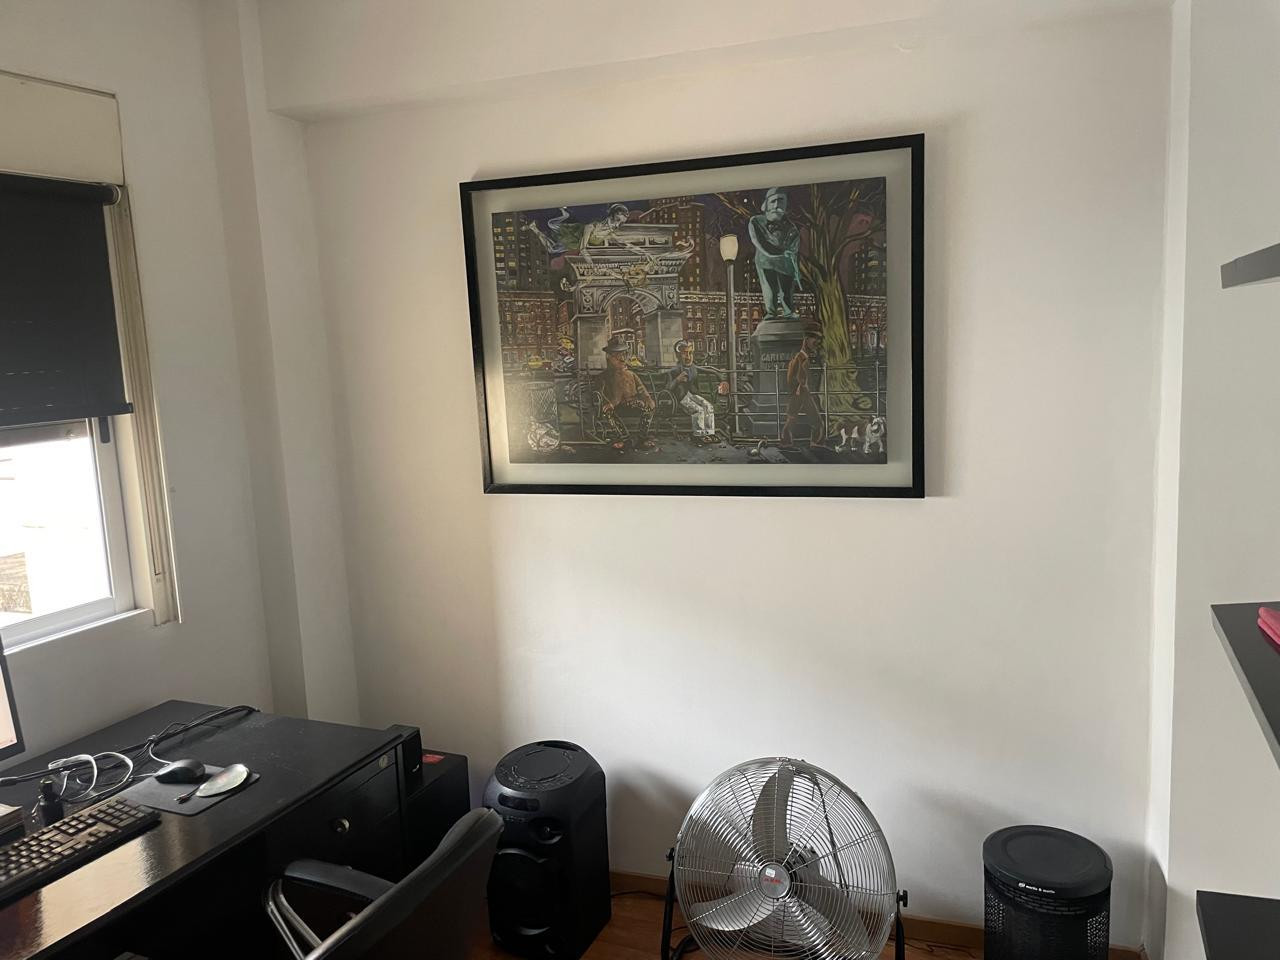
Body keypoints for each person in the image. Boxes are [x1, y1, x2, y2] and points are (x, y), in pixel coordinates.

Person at [748, 187, 803, 319]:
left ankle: (788, 312)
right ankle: (771, 313)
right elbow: (760, 243)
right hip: (766, 262)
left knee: (787, 290)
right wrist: (783, 252)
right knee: (769, 289)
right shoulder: (756, 222)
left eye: (781, 201)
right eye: (773, 201)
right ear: (766, 204)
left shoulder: (792, 227)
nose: (777, 205)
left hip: (786, 265)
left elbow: (794, 247)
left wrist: (796, 267)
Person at [597, 335, 655, 451]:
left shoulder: (631, 374)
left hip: (632, 402)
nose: (622, 359)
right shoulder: (604, 376)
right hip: (614, 406)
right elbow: (601, 394)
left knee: (649, 407)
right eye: (617, 356)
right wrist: (610, 403)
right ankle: (623, 439)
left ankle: (642, 438)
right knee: (607, 412)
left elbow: (641, 388)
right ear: (609, 357)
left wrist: (648, 398)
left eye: (624, 354)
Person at [668, 340, 723, 445]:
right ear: (678, 355)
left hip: (691, 394)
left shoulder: (693, 367)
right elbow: (668, 388)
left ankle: (709, 433)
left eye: (690, 353)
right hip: (680, 398)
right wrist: (677, 380)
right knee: (698, 410)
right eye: (685, 353)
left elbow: (708, 370)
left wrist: (721, 378)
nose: (688, 356)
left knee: (708, 406)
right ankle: (698, 435)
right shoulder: (674, 370)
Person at [781, 328, 826, 449]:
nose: (817, 342)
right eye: (814, 339)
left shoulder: (801, 357)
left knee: (792, 418)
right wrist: (801, 386)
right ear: (806, 340)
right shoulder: (801, 358)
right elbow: (796, 377)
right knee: (817, 422)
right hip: (802, 393)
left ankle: (786, 442)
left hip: (800, 393)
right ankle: (816, 443)